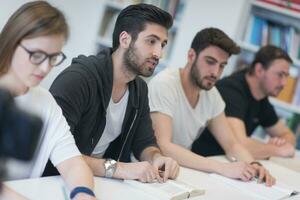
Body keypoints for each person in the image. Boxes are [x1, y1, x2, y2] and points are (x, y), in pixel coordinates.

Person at [47, 3, 179, 183]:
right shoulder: (78, 80)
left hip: (102, 182)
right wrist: (120, 168)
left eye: (162, 45)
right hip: (57, 181)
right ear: (124, 40)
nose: (158, 53)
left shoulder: (139, 89)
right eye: (151, 41)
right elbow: (55, 150)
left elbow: (145, 142)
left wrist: (157, 158)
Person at [148, 28, 275, 186]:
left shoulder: (211, 95)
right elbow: (163, 146)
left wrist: (255, 165)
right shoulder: (165, 84)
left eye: (222, 66)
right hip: (149, 174)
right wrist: (223, 168)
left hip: (180, 174)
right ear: (191, 56)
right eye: (210, 62)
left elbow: (232, 144)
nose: (216, 72)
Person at [0, 2, 96, 200]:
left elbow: (72, 162)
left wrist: (83, 193)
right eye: (36, 55)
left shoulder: (45, 101)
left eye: (53, 58)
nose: (45, 68)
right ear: (12, 42)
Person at [192, 45, 296, 160]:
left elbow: (288, 135)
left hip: (226, 163)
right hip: (201, 161)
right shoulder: (231, 90)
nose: (284, 83)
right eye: (280, 75)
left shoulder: (261, 98)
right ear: (259, 70)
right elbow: (240, 145)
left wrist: (281, 144)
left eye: (286, 76)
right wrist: (279, 150)